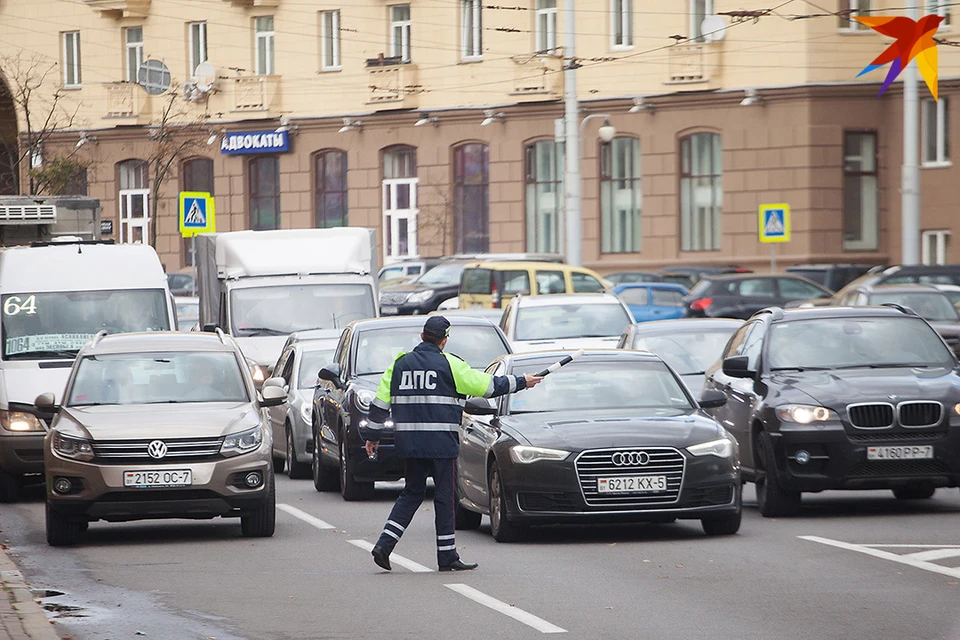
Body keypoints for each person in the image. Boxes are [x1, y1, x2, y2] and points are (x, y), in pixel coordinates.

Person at [362, 315, 543, 572]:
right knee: (446, 497)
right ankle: (446, 556)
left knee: (411, 493)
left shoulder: (399, 364)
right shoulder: (451, 365)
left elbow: (380, 404)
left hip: (411, 445)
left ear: (422, 336)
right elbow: (488, 386)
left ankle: (384, 544)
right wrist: (523, 381)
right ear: (444, 340)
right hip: (441, 446)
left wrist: (373, 436)